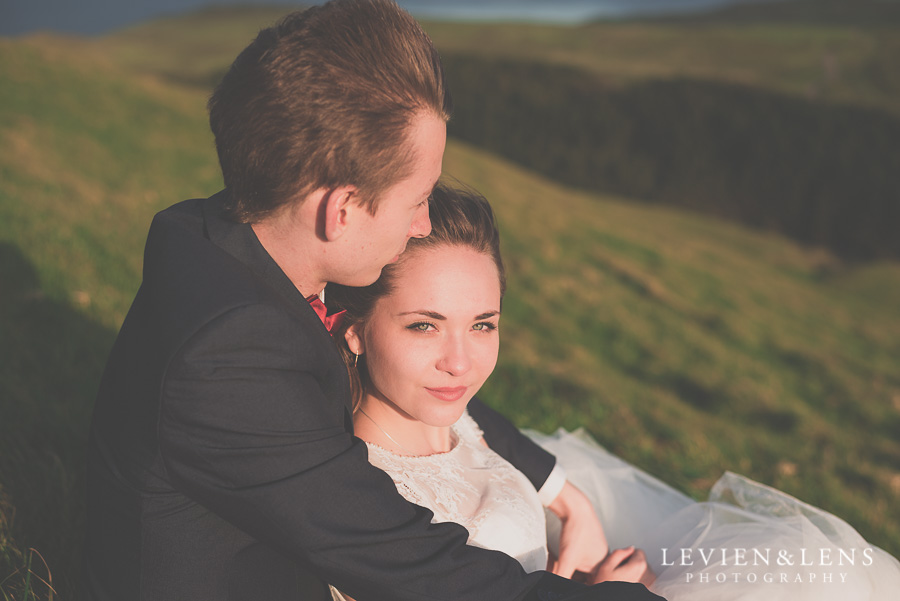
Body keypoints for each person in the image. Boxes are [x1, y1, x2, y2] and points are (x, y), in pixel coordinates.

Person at [82, 2, 662, 601]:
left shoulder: (229, 236)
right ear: (343, 209)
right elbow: (409, 563)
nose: (423, 223)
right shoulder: (229, 360)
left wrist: (558, 490)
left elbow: (436, 375)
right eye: (418, 199)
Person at [328, 184, 900, 600]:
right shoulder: (359, 497)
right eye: (423, 325)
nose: (461, 362)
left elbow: (482, 423)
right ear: (354, 327)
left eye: (483, 324)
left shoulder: (458, 417)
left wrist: (572, 505)